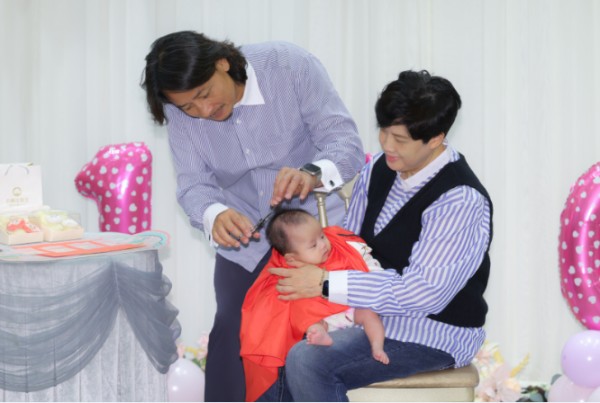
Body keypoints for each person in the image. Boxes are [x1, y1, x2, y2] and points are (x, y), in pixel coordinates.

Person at [140, 31, 364, 402]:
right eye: (189, 107)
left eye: (205, 94)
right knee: (233, 332)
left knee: (310, 333)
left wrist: (312, 172)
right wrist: (214, 214)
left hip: (313, 235)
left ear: (222, 62)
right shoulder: (179, 108)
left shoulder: (289, 66)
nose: (203, 111)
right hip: (245, 240)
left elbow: (345, 142)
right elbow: (193, 184)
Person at [269, 70, 493, 401]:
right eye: (383, 131)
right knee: (271, 342)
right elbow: (350, 243)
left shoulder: (459, 199)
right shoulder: (379, 168)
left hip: (431, 331)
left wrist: (324, 282)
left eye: (399, 139)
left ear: (435, 138)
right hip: (366, 314)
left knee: (309, 361)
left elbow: (422, 294)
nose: (387, 145)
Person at [240, 208, 388, 402]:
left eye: (322, 236)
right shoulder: (289, 272)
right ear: (292, 258)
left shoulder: (345, 249)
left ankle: (378, 346)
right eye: (313, 245)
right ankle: (319, 333)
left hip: (354, 311)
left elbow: (374, 273)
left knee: (369, 315)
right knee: (306, 319)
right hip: (325, 321)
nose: (323, 244)